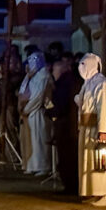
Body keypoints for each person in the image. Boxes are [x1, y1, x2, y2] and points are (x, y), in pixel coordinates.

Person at [75, 53, 106, 206]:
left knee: (100, 162)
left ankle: (105, 195)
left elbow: (104, 109)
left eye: (84, 65)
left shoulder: (102, 84)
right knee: (89, 162)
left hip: (97, 129)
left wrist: (102, 132)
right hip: (87, 128)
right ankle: (93, 192)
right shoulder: (88, 83)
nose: (81, 68)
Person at [47, 53, 80, 195]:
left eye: (54, 71)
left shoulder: (63, 85)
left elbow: (58, 106)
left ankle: (70, 186)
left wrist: (49, 108)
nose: (52, 73)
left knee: (66, 158)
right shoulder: (70, 82)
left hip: (65, 127)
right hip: (70, 126)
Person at [19, 52, 53, 176]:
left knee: (40, 139)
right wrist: (27, 76)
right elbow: (23, 91)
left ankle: (43, 166)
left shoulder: (43, 76)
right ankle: (33, 165)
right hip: (30, 113)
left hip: (38, 111)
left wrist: (27, 109)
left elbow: (38, 97)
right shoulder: (34, 76)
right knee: (33, 141)